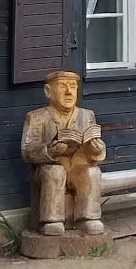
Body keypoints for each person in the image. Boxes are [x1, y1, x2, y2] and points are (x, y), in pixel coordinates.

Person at [21, 70, 106, 235]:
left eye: (73, 87)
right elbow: (26, 150)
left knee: (92, 172)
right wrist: (49, 151)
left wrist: (97, 149)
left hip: (76, 168)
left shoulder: (87, 115)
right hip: (48, 170)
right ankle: (52, 221)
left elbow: (95, 144)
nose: (69, 92)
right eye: (62, 86)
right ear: (48, 92)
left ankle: (87, 218)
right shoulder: (37, 117)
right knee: (55, 171)